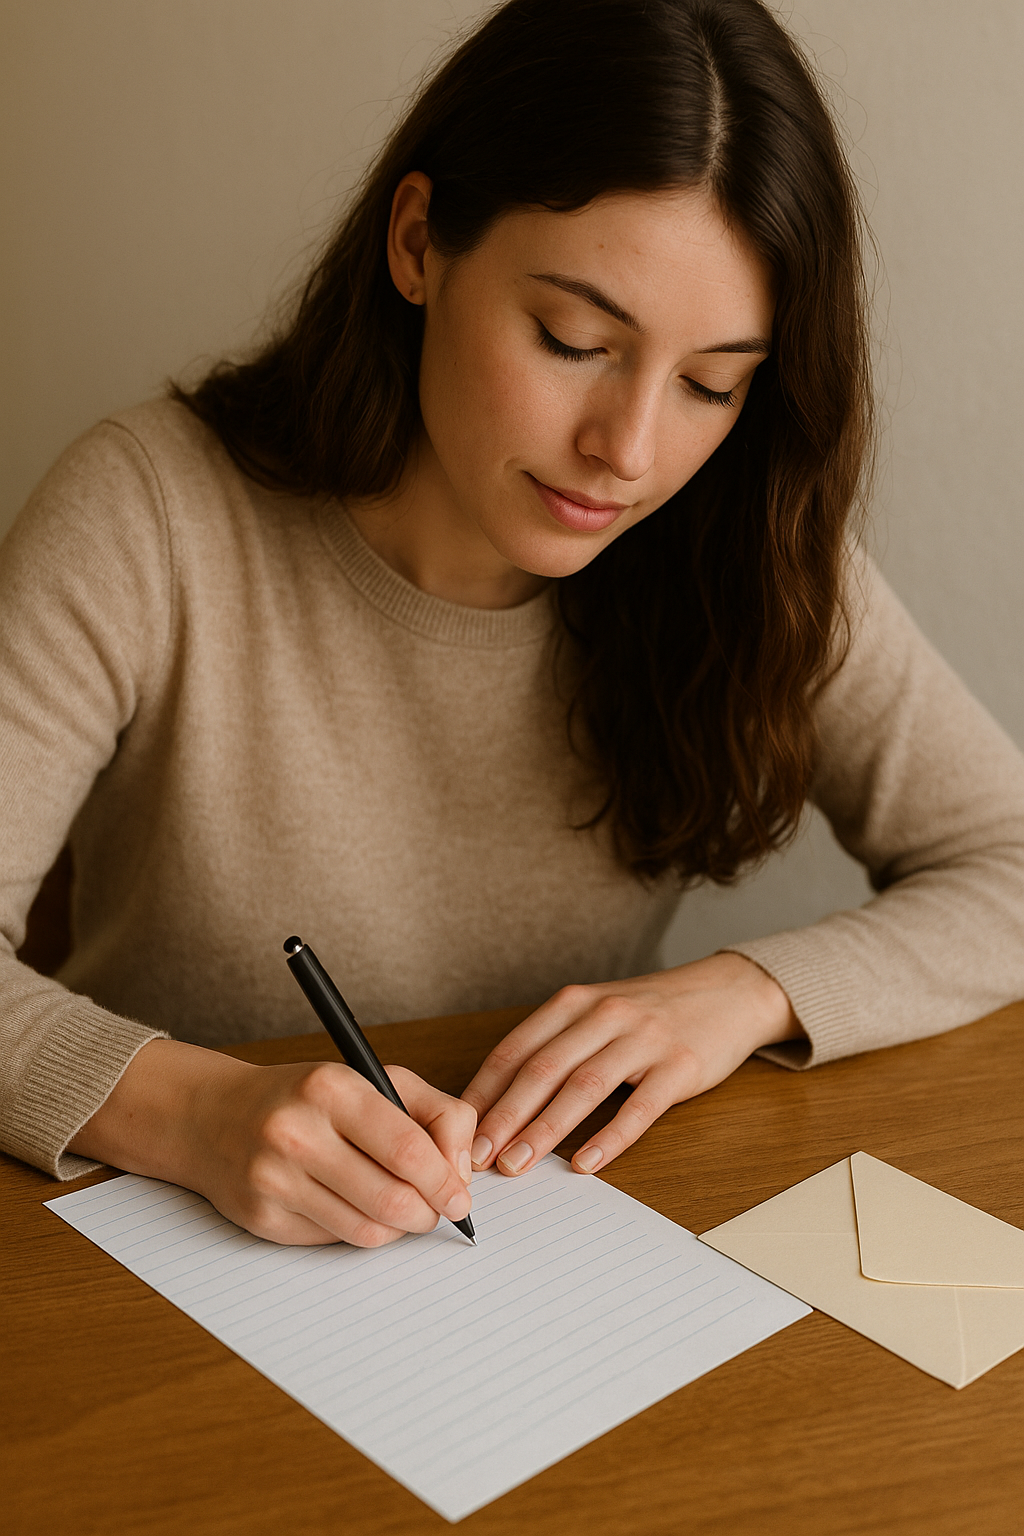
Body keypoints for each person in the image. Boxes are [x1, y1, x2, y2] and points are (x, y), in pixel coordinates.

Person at [3, 0, 1023, 1248]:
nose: (628, 452)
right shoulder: (149, 515)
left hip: (529, 1245)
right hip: (148, 1250)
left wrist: (742, 991)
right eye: (572, 339)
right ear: (418, 244)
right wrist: (194, 1111)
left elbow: (1010, 862)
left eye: (711, 384)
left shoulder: (738, 553)